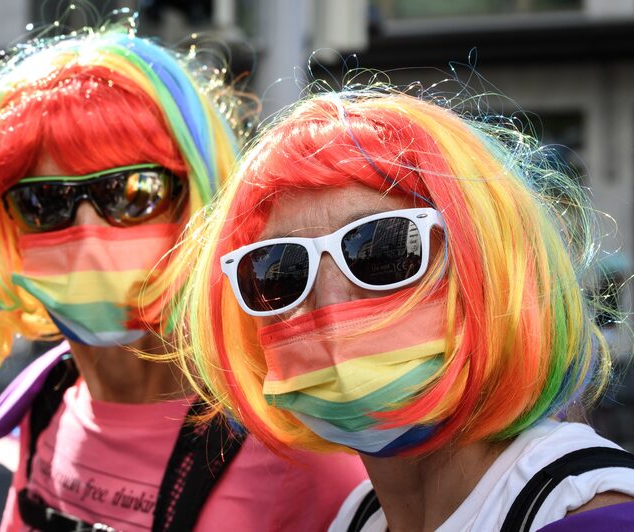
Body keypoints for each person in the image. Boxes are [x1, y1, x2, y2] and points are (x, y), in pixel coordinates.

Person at [0, 28, 365, 531]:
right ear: (1, 228)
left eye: (133, 192)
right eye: (44, 203)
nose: (88, 234)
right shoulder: (45, 402)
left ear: (201, 197)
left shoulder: (301, 449)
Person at [173, 85, 634, 530]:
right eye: (280, 271)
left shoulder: (590, 514)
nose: (329, 310)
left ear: (488, 271)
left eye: (382, 250)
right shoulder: (358, 517)